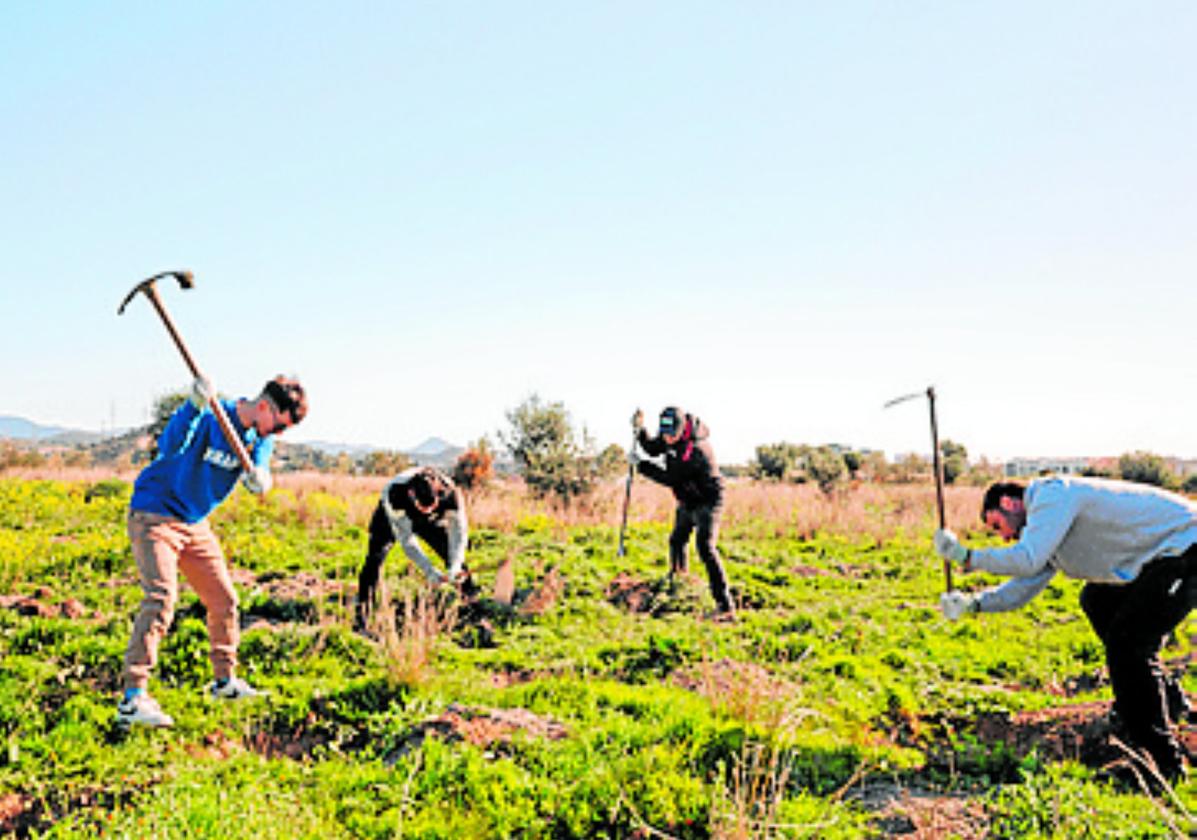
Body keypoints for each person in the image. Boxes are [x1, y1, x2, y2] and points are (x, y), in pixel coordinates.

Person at [934, 476, 1197, 781]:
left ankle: (1161, 763)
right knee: (1097, 600)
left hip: (1187, 548)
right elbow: (1022, 587)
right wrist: (972, 604)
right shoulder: (1046, 530)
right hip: (1162, 559)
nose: (1004, 537)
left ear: (1008, 502)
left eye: (997, 526)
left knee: (1129, 647)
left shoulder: (1052, 495)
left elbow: (1026, 560)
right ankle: (1161, 701)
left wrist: (968, 558)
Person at [117, 374, 308, 728]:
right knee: (160, 599)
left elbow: (261, 462)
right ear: (265, 405)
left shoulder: (258, 438)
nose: (277, 434)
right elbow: (169, 448)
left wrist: (262, 477)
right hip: (155, 513)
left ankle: (225, 682)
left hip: (194, 521)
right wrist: (193, 405)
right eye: (278, 426)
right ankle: (133, 698)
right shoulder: (212, 416)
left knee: (224, 600)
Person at [630, 406, 735, 619]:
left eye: (672, 435)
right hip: (687, 498)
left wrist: (642, 466)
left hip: (708, 499)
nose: (667, 439)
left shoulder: (697, 449)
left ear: (682, 430)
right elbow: (652, 449)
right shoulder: (669, 436)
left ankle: (725, 606)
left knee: (705, 547)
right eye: (664, 434)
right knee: (677, 540)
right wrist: (640, 431)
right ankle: (680, 581)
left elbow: (671, 477)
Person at [353, 465, 475, 635]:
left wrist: (455, 564)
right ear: (412, 495)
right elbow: (407, 541)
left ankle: (472, 608)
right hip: (392, 518)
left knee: (451, 555)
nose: (427, 511)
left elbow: (459, 533)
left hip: (430, 521)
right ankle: (361, 617)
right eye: (423, 508)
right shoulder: (395, 494)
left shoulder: (451, 494)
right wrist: (429, 571)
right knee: (375, 558)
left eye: (431, 507)